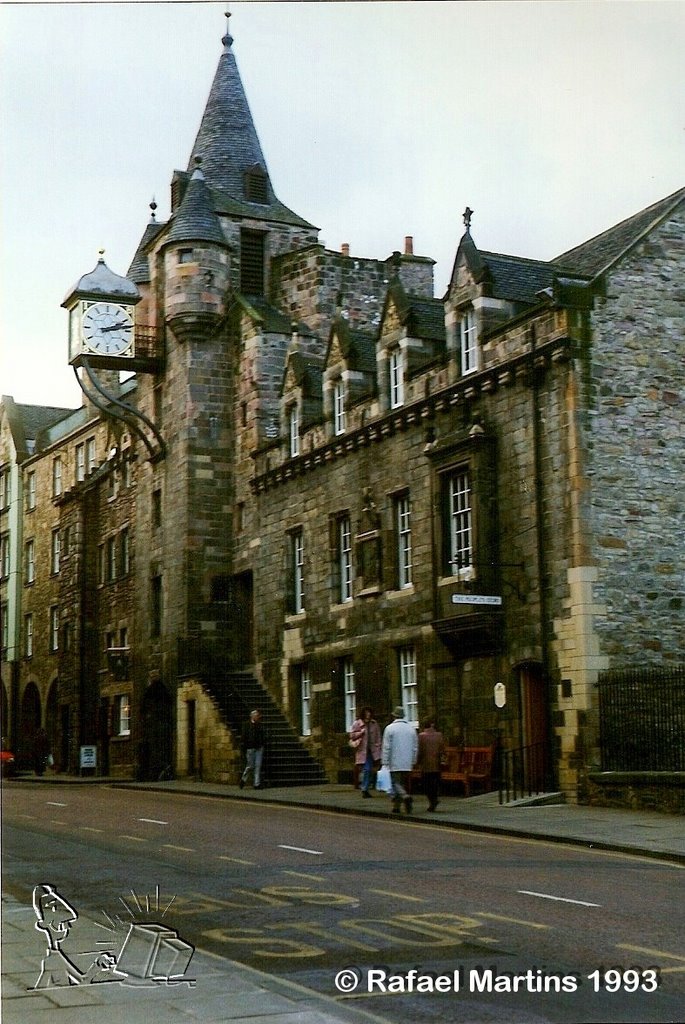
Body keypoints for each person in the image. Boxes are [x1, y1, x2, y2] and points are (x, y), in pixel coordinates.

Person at [381, 706, 418, 814]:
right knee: (402, 783)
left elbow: (386, 747)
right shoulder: (411, 729)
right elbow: (415, 747)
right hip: (407, 761)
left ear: (394, 716)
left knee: (395, 783)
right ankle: (397, 807)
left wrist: (385, 762)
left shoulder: (389, 728)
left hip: (394, 760)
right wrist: (413, 760)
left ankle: (405, 796)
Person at [349, 707, 382, 798]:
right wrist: (360, 733)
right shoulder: (357, 723)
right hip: (363, 751)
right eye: (366, 712)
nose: (368, 714)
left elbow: (378, 737)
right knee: (367, 769)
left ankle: (366, 787)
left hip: (373, 751)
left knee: (371, 770)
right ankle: (364, 788)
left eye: (369, 712)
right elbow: (352, 736)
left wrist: (378, 747)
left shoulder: (374, 724)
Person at [417, 719, 446, 812]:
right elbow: (442, 749)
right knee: (435, 783)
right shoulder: (439, 735)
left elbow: (420, 751)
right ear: (433, 725)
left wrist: (417, 762)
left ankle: (432, 801)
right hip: (437, 764)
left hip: (426, 765)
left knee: (426, 784)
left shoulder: (421, 736)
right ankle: (435, 799)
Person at [239, 709, 265, 789]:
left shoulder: (259, 725)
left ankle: (256, 784)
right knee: (250, 766)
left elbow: (262, 734)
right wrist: (245, 746)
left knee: (258, 766)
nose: (258, 717)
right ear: (252, 716)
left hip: (259, 748)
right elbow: (244, 737)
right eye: (256, 716)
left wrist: (262, 742)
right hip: (250, 748)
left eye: (258, 716)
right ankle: (243, 779)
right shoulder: (246, 725)